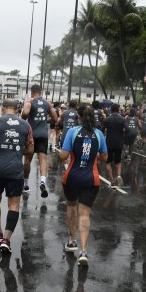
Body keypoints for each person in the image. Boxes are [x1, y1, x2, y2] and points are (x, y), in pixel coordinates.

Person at [0, 98, 34, 254]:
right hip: (15, 170)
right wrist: (17, 149)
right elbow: (30, 150)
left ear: (3, 108)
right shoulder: (26, 125)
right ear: (17, 109)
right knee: (14, 204)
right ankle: (6, 239)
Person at [59, 106, 108, 267]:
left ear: (78, 117)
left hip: (72, 177)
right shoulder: (99, 134)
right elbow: (104, 157)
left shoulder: (72, 132)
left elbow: (64, 156)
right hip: (91, 179)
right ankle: (84, 251)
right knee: (85, 214)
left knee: (71, 208)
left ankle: (72, 241)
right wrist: (92, 158)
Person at [22, 84, 58, 197]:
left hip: (31, 135)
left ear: (32, 91)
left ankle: (26, 185)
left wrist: (26, 115)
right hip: (43, 134)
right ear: (40, 92)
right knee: (43, 159)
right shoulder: (47, 103)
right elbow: (55, 119)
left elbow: (25, 114)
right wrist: (44, 120)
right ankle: (42, 181)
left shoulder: (30, 101)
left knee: (27, 160)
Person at [103, 103, 129, 188]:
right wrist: (122, 133)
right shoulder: (122, 119)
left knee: (108, 162)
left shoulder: (107, 119)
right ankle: (118, 176)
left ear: (111, 110)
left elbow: (102, 130)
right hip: (119, 143)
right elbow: (127, 129)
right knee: (118, 161)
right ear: (118, 110)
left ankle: (112, 179)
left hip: (109, 143)